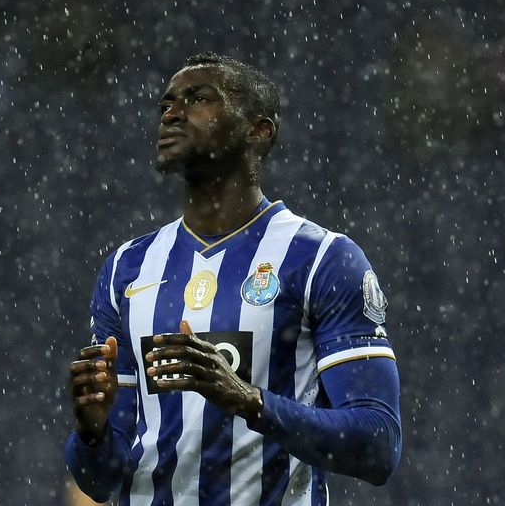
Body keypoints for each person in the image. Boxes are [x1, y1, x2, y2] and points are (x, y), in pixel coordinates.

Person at [65, 52, 402, 505]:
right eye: (165, 105)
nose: (172, 113)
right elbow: (101, 480)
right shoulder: (129, 267)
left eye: (198, 98)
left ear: (258, 130)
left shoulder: (322, 258)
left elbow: (379, 445)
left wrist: (251, 401)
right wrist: (90, 432)